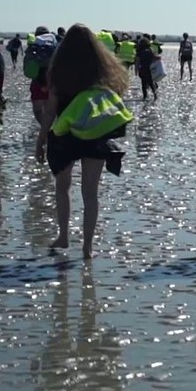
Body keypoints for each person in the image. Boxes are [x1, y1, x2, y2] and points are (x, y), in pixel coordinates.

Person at [34, 24, 134, 259]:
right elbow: (113, 99)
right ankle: (87, 247)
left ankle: (63, 236)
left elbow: (50, 110)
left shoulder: (58, 69)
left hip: (65, 133)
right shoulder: (103, 70)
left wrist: (40, 140)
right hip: (94, 132)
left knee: (62, 187)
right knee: (90, 193)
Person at [135, 34, 160, 100]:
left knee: (143, 83)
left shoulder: (139, 51)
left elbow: (137, 61)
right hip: (149, 69)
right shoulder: (150, 50)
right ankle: (155, 95)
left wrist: (136, 70)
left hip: (142, 69)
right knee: (151, 82)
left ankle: (145, 96)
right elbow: (155, 58)